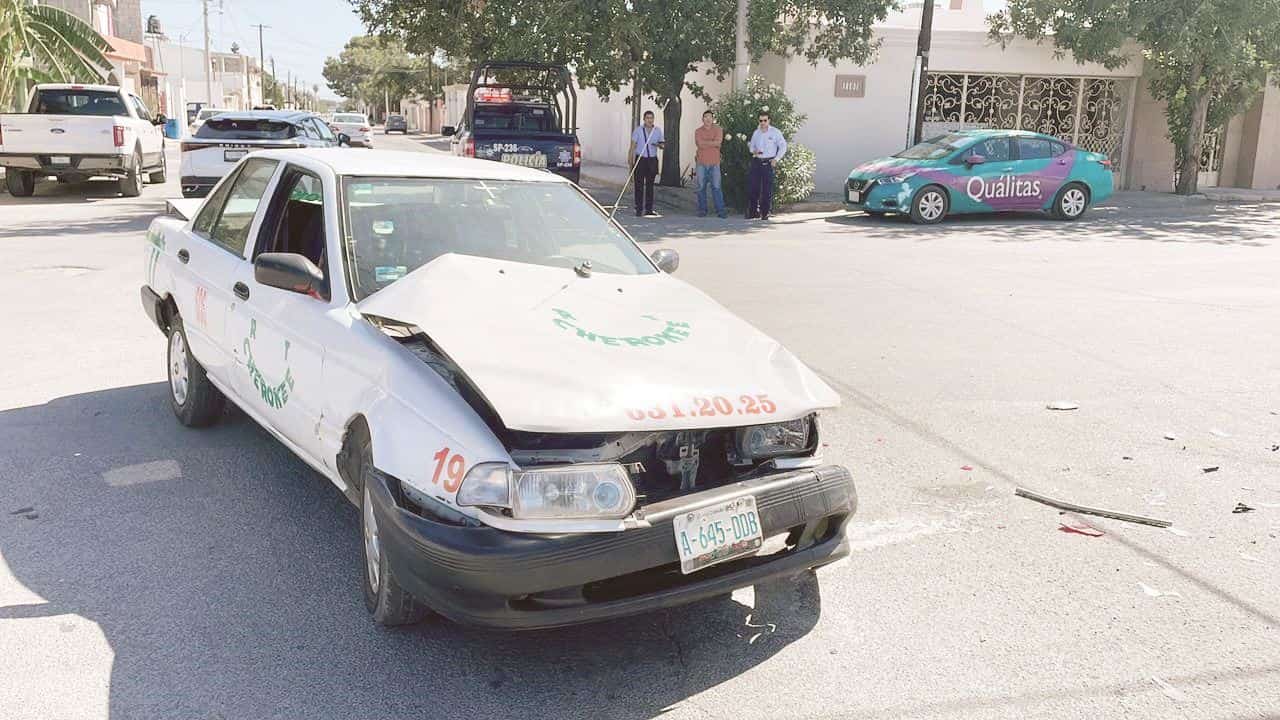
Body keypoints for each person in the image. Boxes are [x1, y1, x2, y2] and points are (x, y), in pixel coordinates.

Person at [746, 110, 788, 220]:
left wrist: (776, 159)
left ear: (769, 120)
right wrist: (753, 151)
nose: (763, 122)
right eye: (761, 120)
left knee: (767, 189)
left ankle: (765, 213)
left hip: (768, 162)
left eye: (765, 120)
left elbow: (783, 146)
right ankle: (753, 212)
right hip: (757, 162)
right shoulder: (756, 132)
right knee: (753, 188)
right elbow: (751, 146)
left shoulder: (775, 132)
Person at [693, 110, 728, 218]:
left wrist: (706, 143)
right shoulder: (698, 131)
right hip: (701, 163)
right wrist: (712, 143)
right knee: (700, 188)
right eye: (705, 117)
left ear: (713, 119)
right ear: (702, 119)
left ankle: (721, 211)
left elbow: (718, 142)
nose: (707, 119)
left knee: (717, 187)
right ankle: (702, 210)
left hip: (714, 163)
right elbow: (699, 144)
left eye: (710, 117)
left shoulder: (718, 129)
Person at [629, 111, 664, 217]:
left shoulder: (657, 131)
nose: (650, 120)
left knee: (650, 185)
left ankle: (649, 209)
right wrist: (630, 163)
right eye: (648, 118)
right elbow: (632, 147)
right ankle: (638, 208)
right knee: (639, 185)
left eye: (651, 118)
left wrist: (658, 144)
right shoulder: (638, 130)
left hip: (652, 160)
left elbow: (662, 145)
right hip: (640, 159)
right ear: (644, 119)